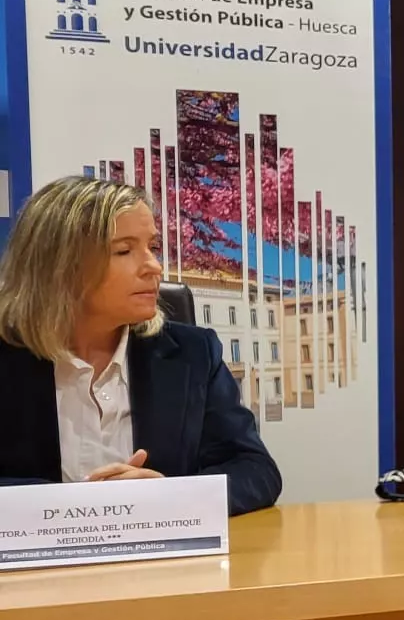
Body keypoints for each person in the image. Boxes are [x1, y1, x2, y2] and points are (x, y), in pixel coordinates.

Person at [0, 176, 281, 514]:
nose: (154, 267)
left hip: (167, 562)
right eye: (124, 250)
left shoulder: (192, 354)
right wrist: (72, 507)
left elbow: (255, 470)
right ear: (59, 266)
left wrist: (169, 495)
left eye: (152, 247)